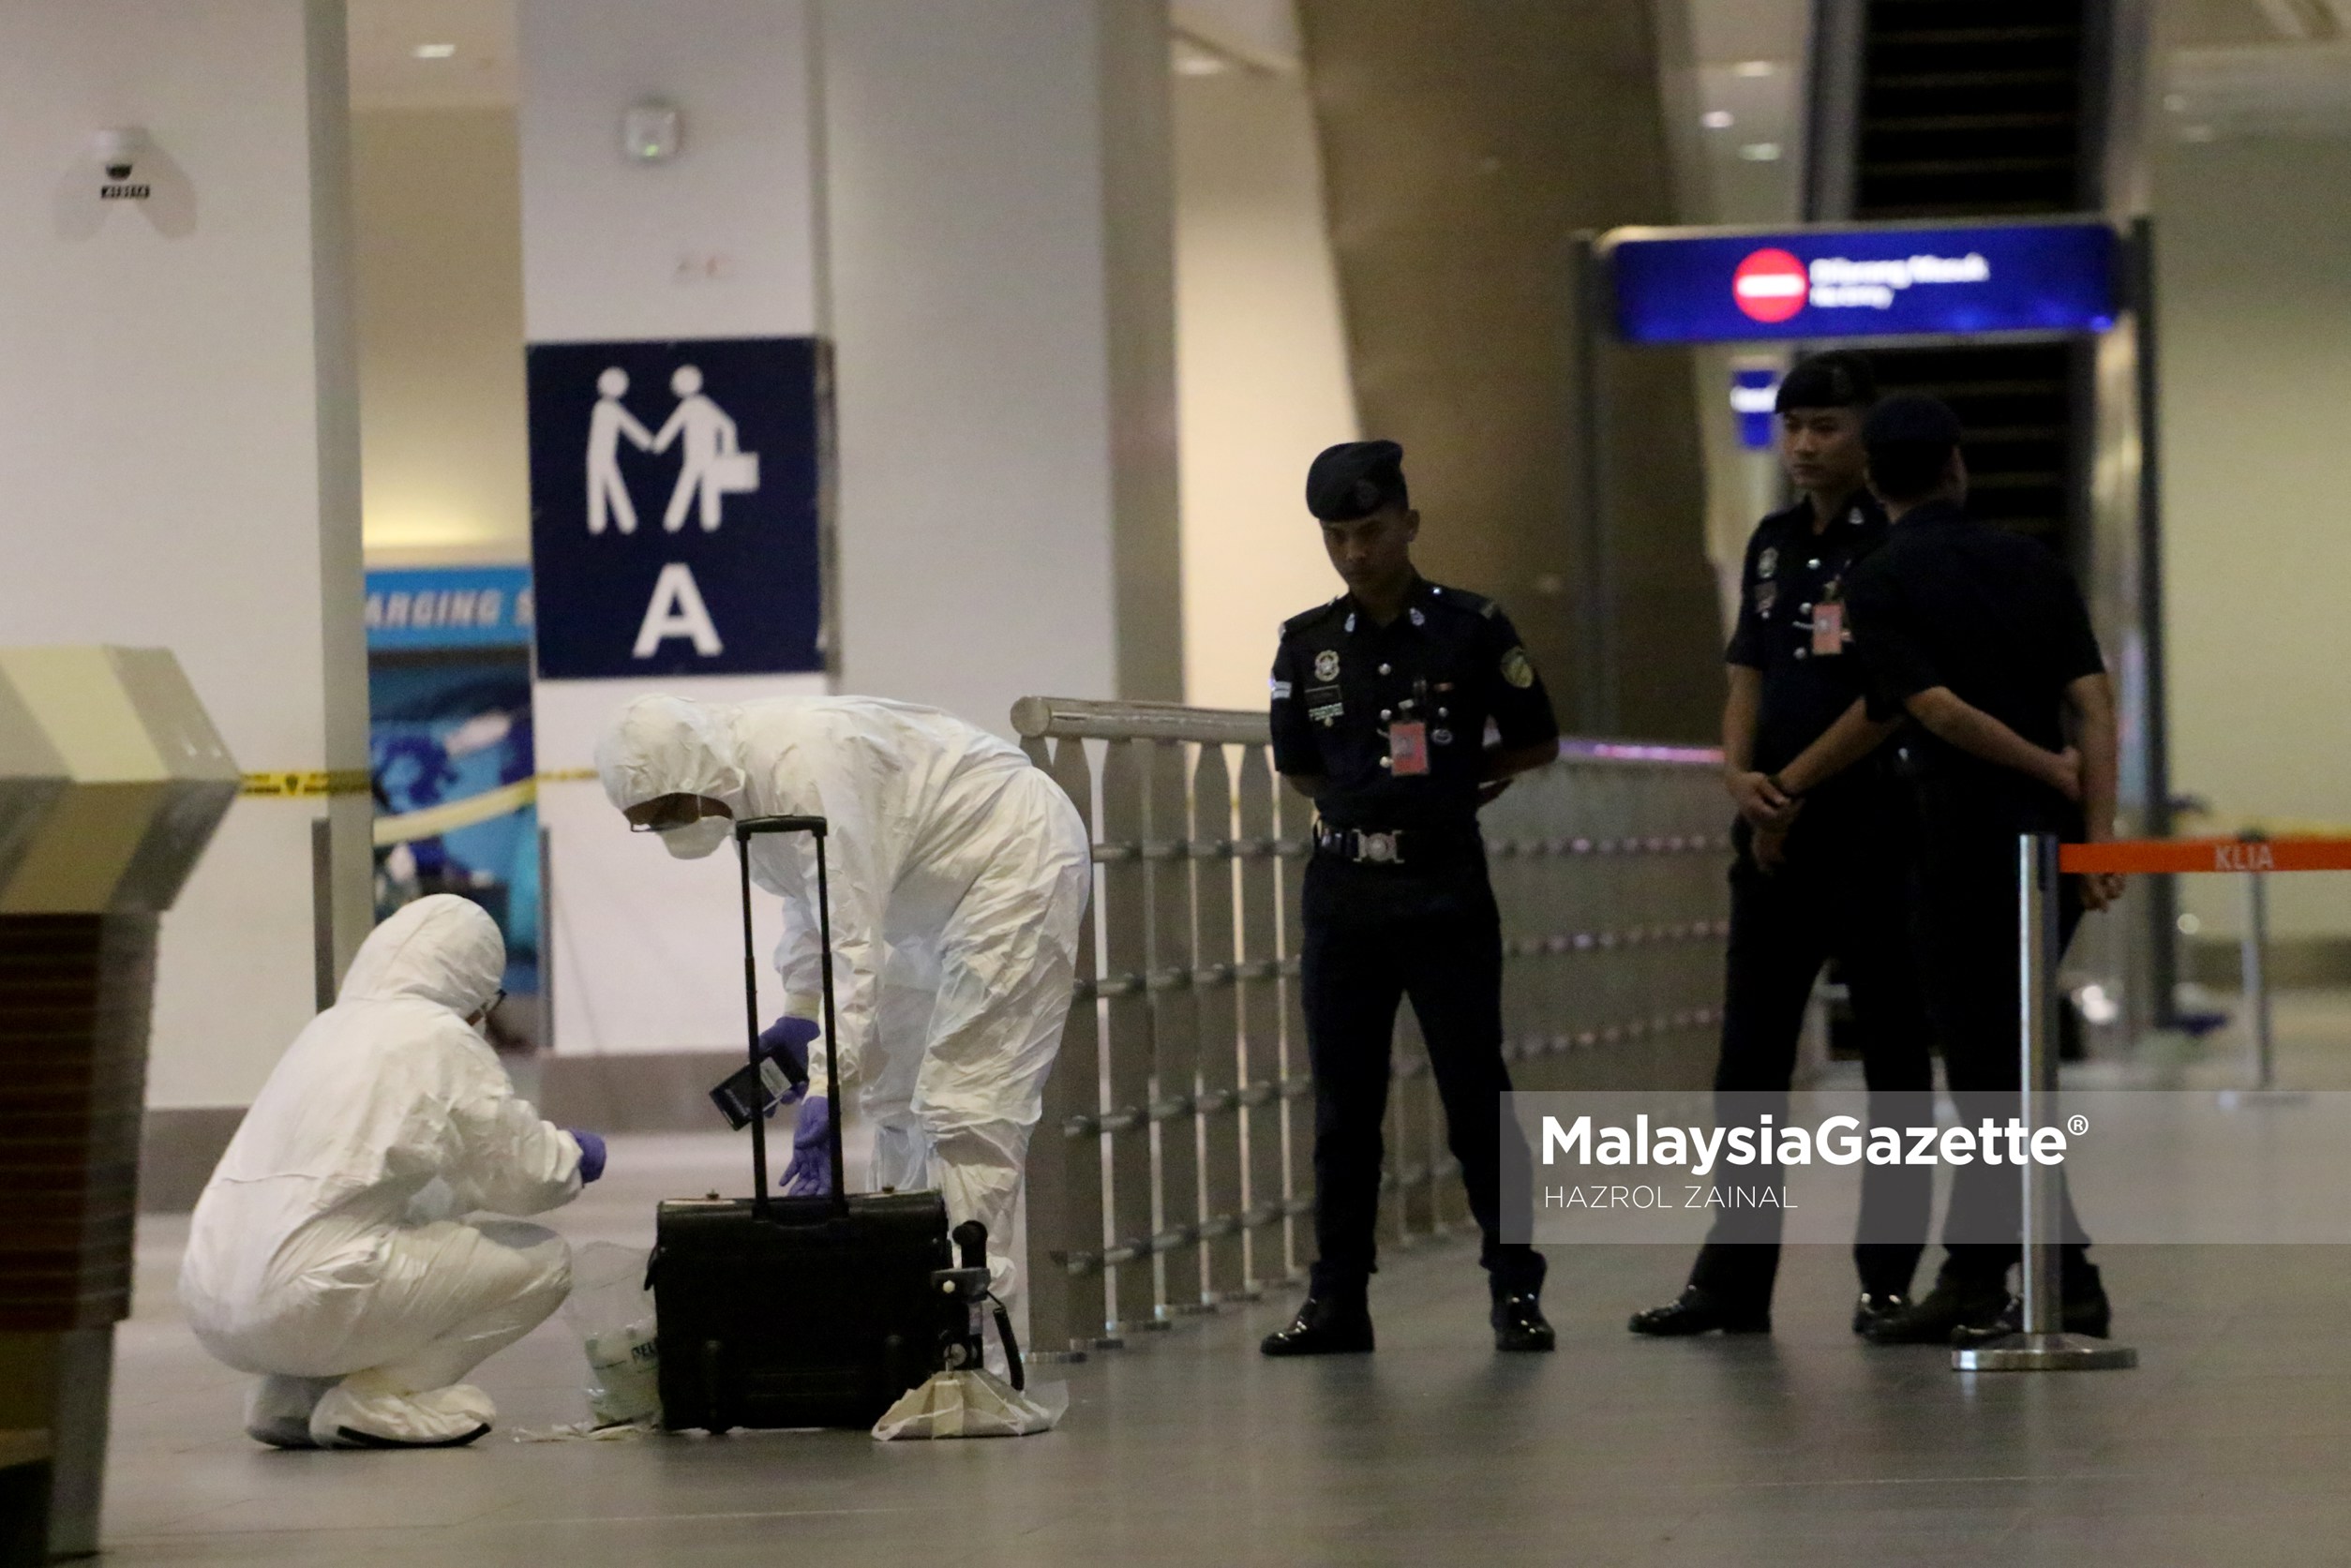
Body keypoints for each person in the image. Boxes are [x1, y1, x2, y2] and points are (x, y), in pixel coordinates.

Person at [595, 693, 1091, 1333]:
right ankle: (907, 1312)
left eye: (670, 811)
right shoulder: (738, 787)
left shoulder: (806, 760)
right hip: (928, 900)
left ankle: (968, 1347)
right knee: (899, 1103)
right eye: (650, 820)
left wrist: (828, 1083)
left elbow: (852, 934)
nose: (669, 828)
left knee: (967, 1104)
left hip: (1014, 858)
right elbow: (809, 901)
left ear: (696, 771)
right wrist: (801, 1011)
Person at [1627, 352, 1935, 1340]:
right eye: (1792, 425)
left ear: (1867, 433)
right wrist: (1738, 778)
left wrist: (1792, 784)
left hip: (1875, 831)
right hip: (1771, 836)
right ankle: (1732, 1279)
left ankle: (1887, 1277)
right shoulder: (1770, 542)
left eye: (1826, 426)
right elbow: (1748, 676)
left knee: (1892, 1061)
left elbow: (1891, 700)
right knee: (1750, 1061)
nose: (1804, 445)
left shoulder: (1896, 543)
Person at [1258, 439, 1564, 1357]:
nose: (1355, 552)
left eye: (1371, 530)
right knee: (1346, 1106)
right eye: (1337, 535)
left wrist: (1458, 785)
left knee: (1476, 1090)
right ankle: (1337, 1297)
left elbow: (1534, 736)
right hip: (1346, 887)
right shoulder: (1305, 644)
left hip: (1442, 883)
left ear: (1409, 524)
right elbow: (1302, 766)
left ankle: (1515, 1288)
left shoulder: (1470, 627)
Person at [1840, 393, 2122, 1345]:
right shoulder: (2032, 561)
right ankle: (2049, 1270)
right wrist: (2096, 831)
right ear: (1958, 464)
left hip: (1957, 835)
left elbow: (1936, 709)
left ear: (1875, 479)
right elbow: (2092, 702)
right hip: (2047, 840)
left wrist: (2042, 767)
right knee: (2005, 1068)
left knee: (1986, 1070)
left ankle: (1997, 1278)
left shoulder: (1876, 579)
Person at [180, 896, 602, 1449]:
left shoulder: (327, 1030)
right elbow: (523, 1178)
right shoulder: (437, 1036)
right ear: (472, 983)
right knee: (543, 1261)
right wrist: (574, 1155)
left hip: (213, 1303)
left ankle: (288, 1398)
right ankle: (380, 1402)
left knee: (395, 1223)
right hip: (309, 1300)